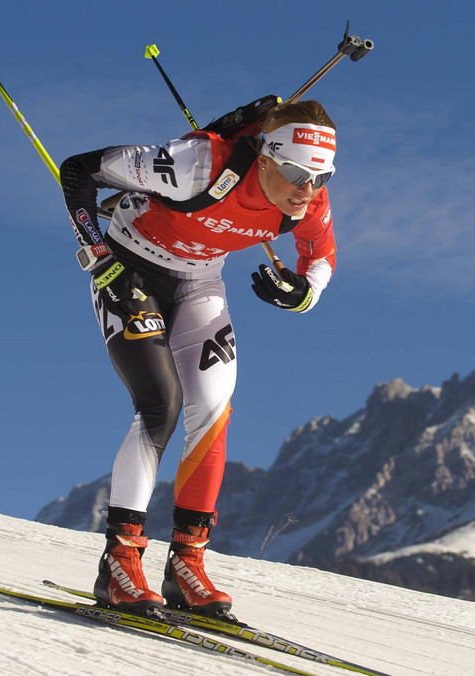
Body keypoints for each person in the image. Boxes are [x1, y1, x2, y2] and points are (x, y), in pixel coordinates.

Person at [58, 100, 338, 619]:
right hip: (129, 268)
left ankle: (187, 565)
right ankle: (120, 560)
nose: (308, 189)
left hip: (199, 281)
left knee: (213, 407)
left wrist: (303, 292)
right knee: (161, 405)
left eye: (322, 177)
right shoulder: (198, 165)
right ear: (266, 159)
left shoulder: (307, 202)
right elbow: (77, 170)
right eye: (298, 173)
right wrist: (98, 257)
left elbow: (320, 258)